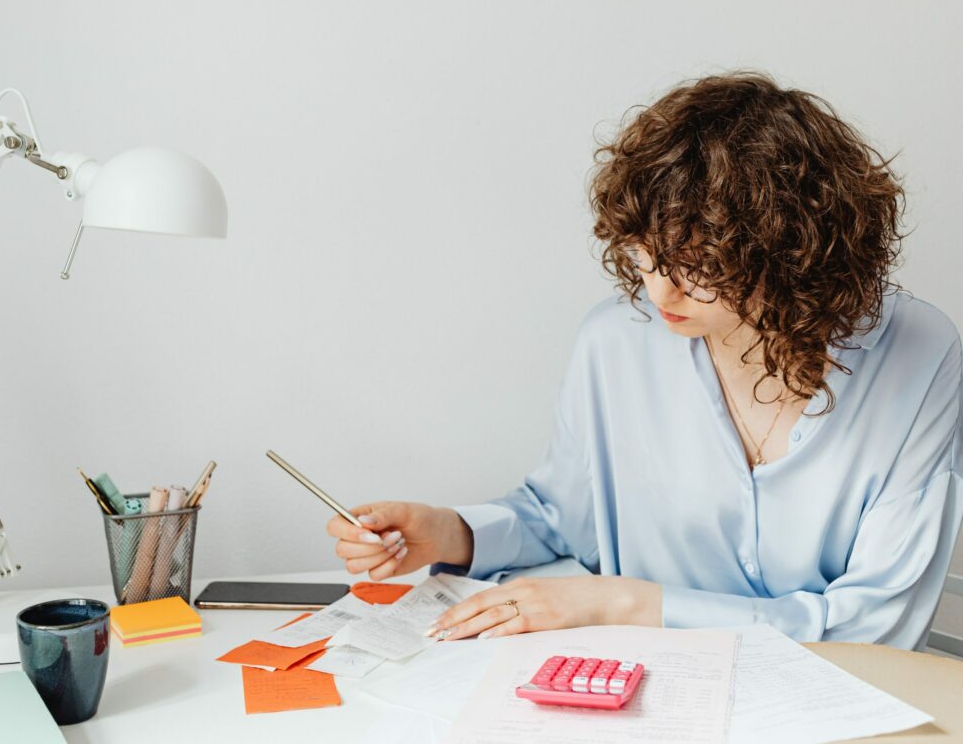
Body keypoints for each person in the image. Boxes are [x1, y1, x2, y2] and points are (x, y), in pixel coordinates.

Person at [326, 71, 962, 650]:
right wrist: (451, 533)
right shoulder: (616, 342)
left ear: (792, 251)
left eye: (701, 267)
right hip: (647, 697)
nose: (661, 292)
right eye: (644, 256)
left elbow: (877, 624)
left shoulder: (921, 355)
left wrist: (628, 603)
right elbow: (563, 519)